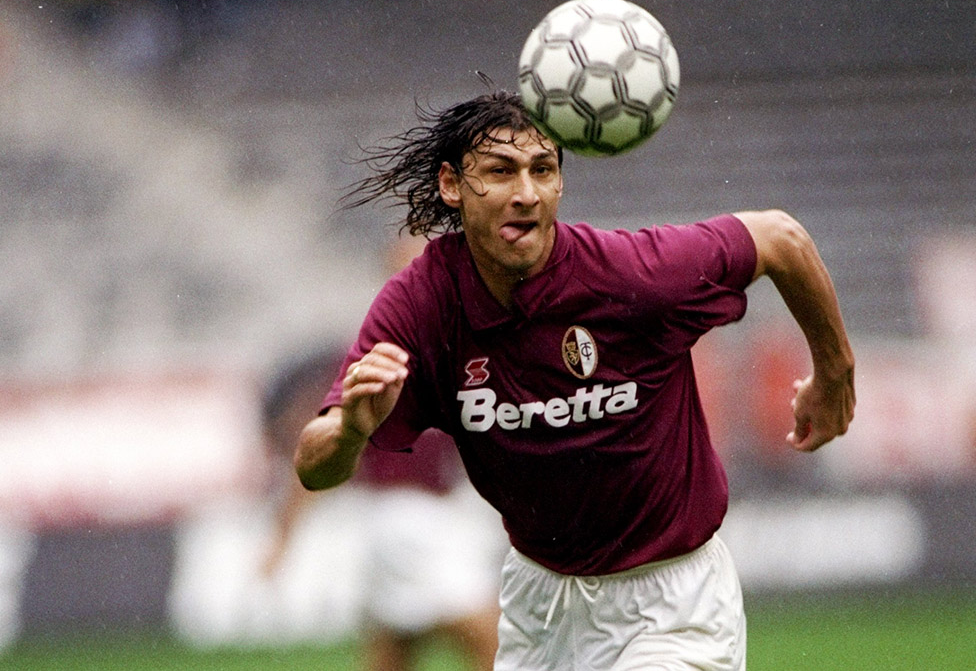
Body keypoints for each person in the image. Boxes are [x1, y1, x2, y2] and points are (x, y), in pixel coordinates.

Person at [294, 90, 856, 670]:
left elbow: (780, 239)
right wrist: (352, 430)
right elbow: (314, 465)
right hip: (541, 608)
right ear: (451, 184)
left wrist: (834, 374)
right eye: (501, 171)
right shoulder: (420, 304)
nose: (527, 193)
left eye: (543, 170)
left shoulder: (629, 274)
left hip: (671, 605)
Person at [261, 237, 502, 671]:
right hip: (402, 517)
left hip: (435, 513)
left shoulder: (454, 344)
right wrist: (284, 533)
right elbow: (327, 440)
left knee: (394, 650)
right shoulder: (375, 351)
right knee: (495, 642)